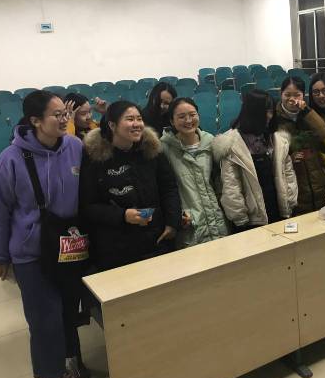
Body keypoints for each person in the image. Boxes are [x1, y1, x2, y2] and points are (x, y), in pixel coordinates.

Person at [0, 91, 87, 378]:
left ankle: (70, 363)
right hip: (31, 251)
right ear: (35, 121)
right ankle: (51, 376)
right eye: (57, 115)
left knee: (67, 311)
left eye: (65, 114)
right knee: (44, 318)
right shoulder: (11, 159)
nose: (64, 119)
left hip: (69, 246)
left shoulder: (75, 146)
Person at [80, 101, 181, 271]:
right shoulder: (95, 157)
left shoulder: (151, 150)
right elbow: (88, 206)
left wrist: (172, 223)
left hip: (156, 239)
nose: (137, 124)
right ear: (112, 125)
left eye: (139, 119)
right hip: (117, 247)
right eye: (130, 119)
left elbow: (169, 187)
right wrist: (122, 215)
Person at [212, 89, 297, 229]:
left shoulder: (277, 139)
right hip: (252, 219)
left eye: (271, 111)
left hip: (279, 208)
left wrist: (290, 202)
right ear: (252, 113)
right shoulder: (232, 144)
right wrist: (240, 219)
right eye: (265, 112)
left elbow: (288, 175)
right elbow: (231, 186)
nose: (269, 116)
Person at [160, 97, 229, 248]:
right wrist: (176, 215)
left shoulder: (210, 141)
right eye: (181, 117)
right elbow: (164, 189)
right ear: (172, 121)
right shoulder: (164, 148)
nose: (188, 120)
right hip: (190, 224)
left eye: (192, 115)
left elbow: (219, 181)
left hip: (217, 219)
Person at [276, 76, 325, 213]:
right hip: (293, 180)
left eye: (297, 95)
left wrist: (306, 111)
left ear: (303, 95)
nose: (292, 99)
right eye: (287, 95)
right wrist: (289, 158)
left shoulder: (308, 114)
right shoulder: (275, 119)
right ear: (280, 94)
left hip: (316, 175)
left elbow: (324, 133)